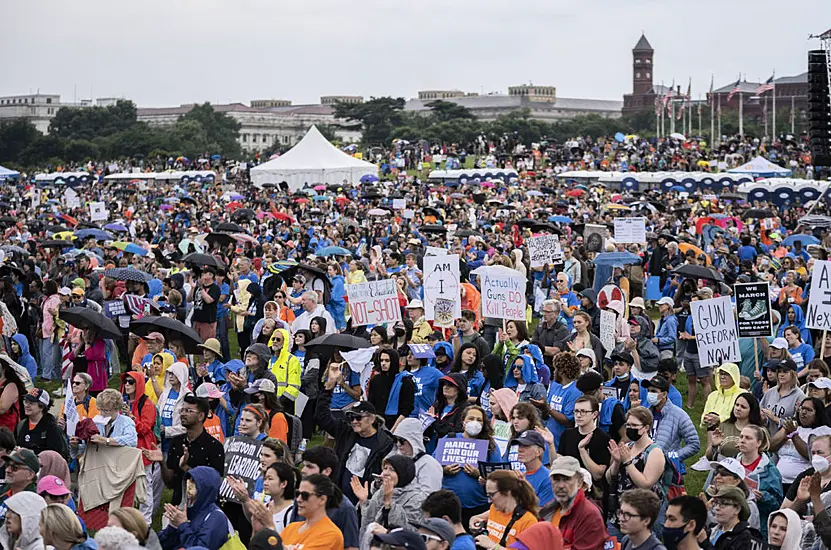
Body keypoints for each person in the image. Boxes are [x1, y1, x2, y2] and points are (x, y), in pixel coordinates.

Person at [316, 361, 394, 505]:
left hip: (364, 502)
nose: (354, 421)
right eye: (351, 417)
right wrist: (329, 387)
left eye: (358, 417)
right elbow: (322, 417)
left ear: (371, 419)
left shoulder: (385, 444)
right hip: (339, 498)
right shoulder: (346, 431)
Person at [148, 394, 225, 507]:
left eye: (188, 410)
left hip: (202, 508)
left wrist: (186, 468)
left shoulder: (214, 447)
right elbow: (170, 483)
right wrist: (162, 462)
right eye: (182, 410)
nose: (183, 414)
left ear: (200, 416)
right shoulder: (177, 442)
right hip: (178, 504)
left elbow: (212, 486)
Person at [437, 405, 501, 529]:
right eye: (471, 418)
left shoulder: (490, 446)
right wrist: (445, 470)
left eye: (479, 420)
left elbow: (498, 475)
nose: (475, 422)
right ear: (463, 422)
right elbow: (434, 466)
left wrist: (479, 474)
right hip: (448, 505)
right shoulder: (449, 439)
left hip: (478, 506)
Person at [606, 407, 668, 536]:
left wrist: (628, 462)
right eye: (628, 425)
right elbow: (609, 478)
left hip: (642, 515)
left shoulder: (654, 452)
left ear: (645, 428)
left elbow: (646, 483)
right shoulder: (627, 447)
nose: (630, 428)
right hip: (618, 513)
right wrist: (617, 462)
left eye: (634, 425)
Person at [539, 455, 608, 550]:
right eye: (556, 479)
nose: (561, 486)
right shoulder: (547, 511)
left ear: (579, 482)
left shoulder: (589, 514)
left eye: (567, 479)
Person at [299, 446, 360, 550]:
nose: (303, 470)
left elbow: (351, 547)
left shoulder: (345, 508)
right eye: (303, 465)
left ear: (327, 471)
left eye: (309, 466)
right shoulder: (300, 498)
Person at [354, 455, 425, 543]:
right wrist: (363, 501)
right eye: (385, 468)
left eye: (392, 469)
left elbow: (408, 532)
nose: (386, 473)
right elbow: (369, 521)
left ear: (403, 473)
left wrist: (389, 503)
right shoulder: (380, 492)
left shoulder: (416, 499)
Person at [159, 466, 232, 550]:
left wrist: (182, 525)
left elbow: (200, 548)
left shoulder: (216, 518)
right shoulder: (188, 509)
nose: (189, 484)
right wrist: (172, 527)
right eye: (188, 479)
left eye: (193, 481)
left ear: (205, 486)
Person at [641, 376, 700, 477]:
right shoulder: (645, 413)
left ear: (664, 394)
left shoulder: (679, 415)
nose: (650, 394)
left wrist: (672, 457)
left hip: (668, 471)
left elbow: (694, 444)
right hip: (644, 466)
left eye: (654, 391)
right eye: (649, 391)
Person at [769, 396, 831, 488]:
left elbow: (809, 454)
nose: (803, 412)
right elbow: (771, 447)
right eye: (802, 408)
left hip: (802, 483)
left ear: (818, 413)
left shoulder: (823, 431)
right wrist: (785, 433)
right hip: (778, 481)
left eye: (809, 410)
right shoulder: (793, 425)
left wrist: (794, 435)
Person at [469, 470, 539, 549]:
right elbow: (478, 517)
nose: (490, 500)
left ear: (507, 492)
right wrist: (474, 519)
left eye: (492, 495)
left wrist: (494, 546)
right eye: (488, 495)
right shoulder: (495, 508)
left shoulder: (528, 521)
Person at [735, 425, 782, 536]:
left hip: (757, 528)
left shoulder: (770, 471)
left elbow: (778, 505)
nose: (742, 440)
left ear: (759, 443)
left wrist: (763, 497)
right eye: (741, 437)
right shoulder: (732, 463)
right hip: (731, 523)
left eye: (748, 438)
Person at [280, 474, 345, 550]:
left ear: (322, 499)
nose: (298, 499)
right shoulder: (290, 529)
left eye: (305, 495)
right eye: (297, 494)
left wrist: (270, 527)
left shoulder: (331, 534)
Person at [558, 395, 612, 483]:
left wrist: (582, 450)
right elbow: (558, 463)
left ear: (594, 414)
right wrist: (551, 444)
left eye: (583, 412)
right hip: (570, 485)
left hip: (593, 490)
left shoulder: (603, 438)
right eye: (576, 411)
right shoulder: (567, 434)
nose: (578, 415)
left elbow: (598, 475)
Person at [537, 351, 582, 448]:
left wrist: (548, 409)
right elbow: (547, 412)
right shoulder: (555, 385)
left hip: (562, 443)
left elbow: (568, 421)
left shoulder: (575, 391)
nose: (554, 372)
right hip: (549, 438)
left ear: (562, 372)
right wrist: (543, 407)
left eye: (556, 369)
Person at [389, 418, 443, 495]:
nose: (398, 444)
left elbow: (428, 497)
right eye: (396, 440)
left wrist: (399, 492)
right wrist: (377, 485)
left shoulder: (429, 464)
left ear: (413, 439)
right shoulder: (396, 460)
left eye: (401, 440)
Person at [707, 393, 765, 460]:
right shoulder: (723, 425)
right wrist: (714, 446)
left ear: (751, 410)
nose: (738, 408)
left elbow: (763, 456)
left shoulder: (759, 430)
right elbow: (708, 457)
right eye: (737, 405)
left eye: (743, 407)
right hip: (721, 466)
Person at [16, 388, 68, 459]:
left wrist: (33, 453)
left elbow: (56, 455)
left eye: (31, 403)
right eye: (26, 402)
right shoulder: (21, 425)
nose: (26, 405)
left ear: (41, 407)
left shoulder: (51, 428)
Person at [707, 486, 763, 550]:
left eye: (723, 504)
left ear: (737, 509)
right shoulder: (711, 530)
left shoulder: (745, 537)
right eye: (716, 503)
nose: (717, 508)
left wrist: (705, 543)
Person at [759, 359, 805, 436]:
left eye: (785, 372)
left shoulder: (800, 396)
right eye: (779, 371)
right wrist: (763, 418)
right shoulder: (770, 392)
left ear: (793, 374)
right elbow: (760, 410)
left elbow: (798, 424)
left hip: (786, 440)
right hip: (766, 437)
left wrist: (776, 419)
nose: (781, 374)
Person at [701, 363, 745, 429]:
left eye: (726, 374)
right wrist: (706, 419)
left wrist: (720, 419)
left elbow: (743, 417)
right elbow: (704, 415)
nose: (722, 377)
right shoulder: (713, 395)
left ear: (734, 376)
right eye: (721, 374)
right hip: (712, 433)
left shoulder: (742, 394)